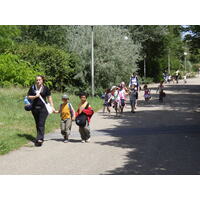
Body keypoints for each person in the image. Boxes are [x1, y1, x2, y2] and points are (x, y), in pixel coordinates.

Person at [27, 75, 55, 146]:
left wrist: (52, 106)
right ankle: (39, 136)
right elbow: (28, 96)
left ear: (42, 80)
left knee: (41, 123)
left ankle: (40, 139)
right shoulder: (33, 87)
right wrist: (35, 96)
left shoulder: (45, 88)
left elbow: (49, 97)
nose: (38, 81)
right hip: (34, 108)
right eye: (37, 80)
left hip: (43, 109)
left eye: (39, 80)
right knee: (37, 123)